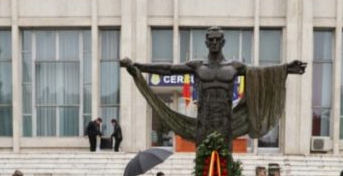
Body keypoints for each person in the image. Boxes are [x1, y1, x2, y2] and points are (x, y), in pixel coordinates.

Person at [121, 27, 306, 146]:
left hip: (226, 121)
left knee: (225, 161)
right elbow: (169, 69)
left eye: (218, 40)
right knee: (204, 159)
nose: (215, 43)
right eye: (211, 40)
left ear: (223, 42)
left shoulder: (234, 66)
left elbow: (261, 73)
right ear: (206, 42)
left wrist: (286, 69)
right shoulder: (198, 65)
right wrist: (137, 65)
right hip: (204, 121)